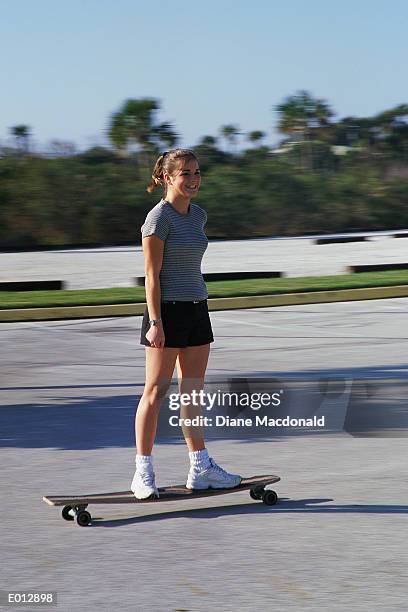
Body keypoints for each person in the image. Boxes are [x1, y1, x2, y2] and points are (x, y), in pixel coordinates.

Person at [131, 148, 242, 499]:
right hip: (165, 312)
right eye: (185, 173)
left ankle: (201, 467)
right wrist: (156, 322)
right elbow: (151, 276)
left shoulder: (198, 216)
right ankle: (143, 472)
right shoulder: (157, 219)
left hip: (197, 308)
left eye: (197, 172)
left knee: (192, 391)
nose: (194, 179)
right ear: (167, 178)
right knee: (155, 392)